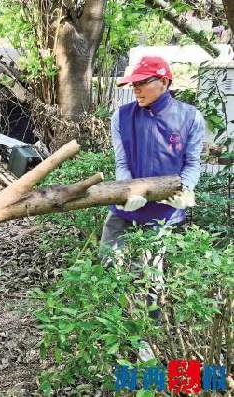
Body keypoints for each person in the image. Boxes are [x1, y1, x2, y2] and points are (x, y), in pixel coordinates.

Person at [99, 56, 205, 352]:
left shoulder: (190, 117)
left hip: (163, 213)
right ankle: (111, 332)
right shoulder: (121, 116)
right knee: (108, 264)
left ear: (165, 82)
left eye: (144, 81)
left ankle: (147, 338)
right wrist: (127, 190)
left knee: (149, 276)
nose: (136, 88)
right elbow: (121, 162)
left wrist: (187, 190)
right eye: (134, 82)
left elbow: (193, 164)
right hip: (124, 208)